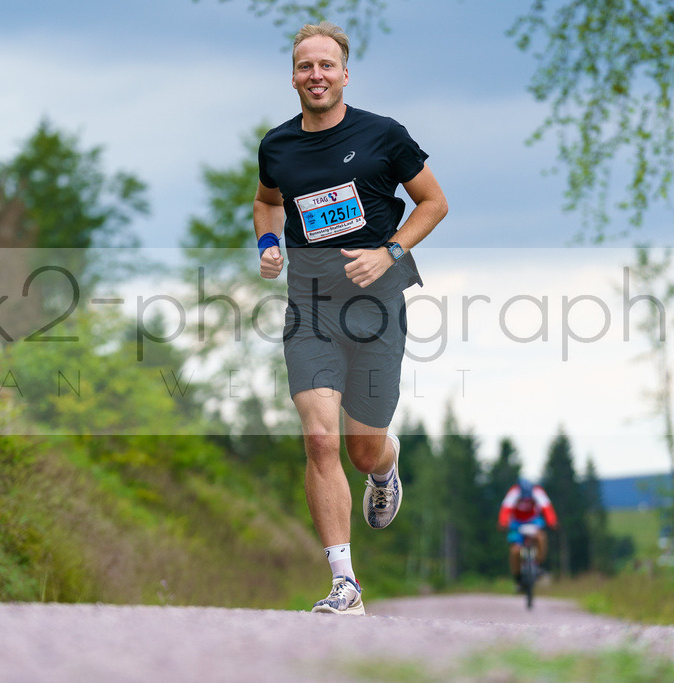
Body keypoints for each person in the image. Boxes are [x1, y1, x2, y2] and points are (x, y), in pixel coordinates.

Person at [253, 21, 448, 615]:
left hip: (377, 308)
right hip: (309, 307)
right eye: (306, 66)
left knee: (361, 450)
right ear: (293, 76)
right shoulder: (277, 146)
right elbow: (267, 201)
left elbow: (433, 202)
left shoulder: (384, 136)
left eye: (327, 66)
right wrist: (268, 242)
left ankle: (385, 465)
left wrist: (388, 250)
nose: (316, 76)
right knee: (317, 437)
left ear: (344, 73)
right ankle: (345, 583)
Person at [498, 478, 559, 590]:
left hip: (533, 521)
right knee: (515, 551)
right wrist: (503, 522)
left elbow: (547, 508)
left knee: (541, 538)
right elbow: (505, 509)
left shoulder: (537, 491)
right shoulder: (514, 492)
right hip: (516, 523)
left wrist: (552, 521)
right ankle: (518, 578)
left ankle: (538, 564)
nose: (525, 502)